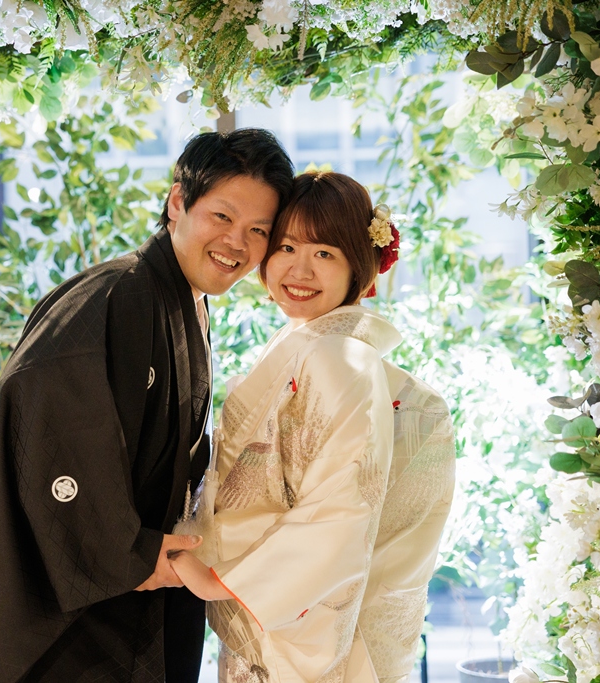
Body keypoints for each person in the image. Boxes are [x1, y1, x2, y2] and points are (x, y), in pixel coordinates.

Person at [0, 129, 296, 683]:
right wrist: (125, 550)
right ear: (177, 202)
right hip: (75, 609)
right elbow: (48, 419)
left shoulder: (185, 302)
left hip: (127, 597)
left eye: (259, 231)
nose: (237, 243)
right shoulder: (116, 295)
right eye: (222, 217)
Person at [170, 171, 456, 681]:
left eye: (325, 253)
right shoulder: (313, 344)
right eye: (286, 247)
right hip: (274, 612)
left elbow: (344, 503)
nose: (299, 270)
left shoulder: (340, 357)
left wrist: (222, 581)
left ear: (358, 266)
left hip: (286, 616)